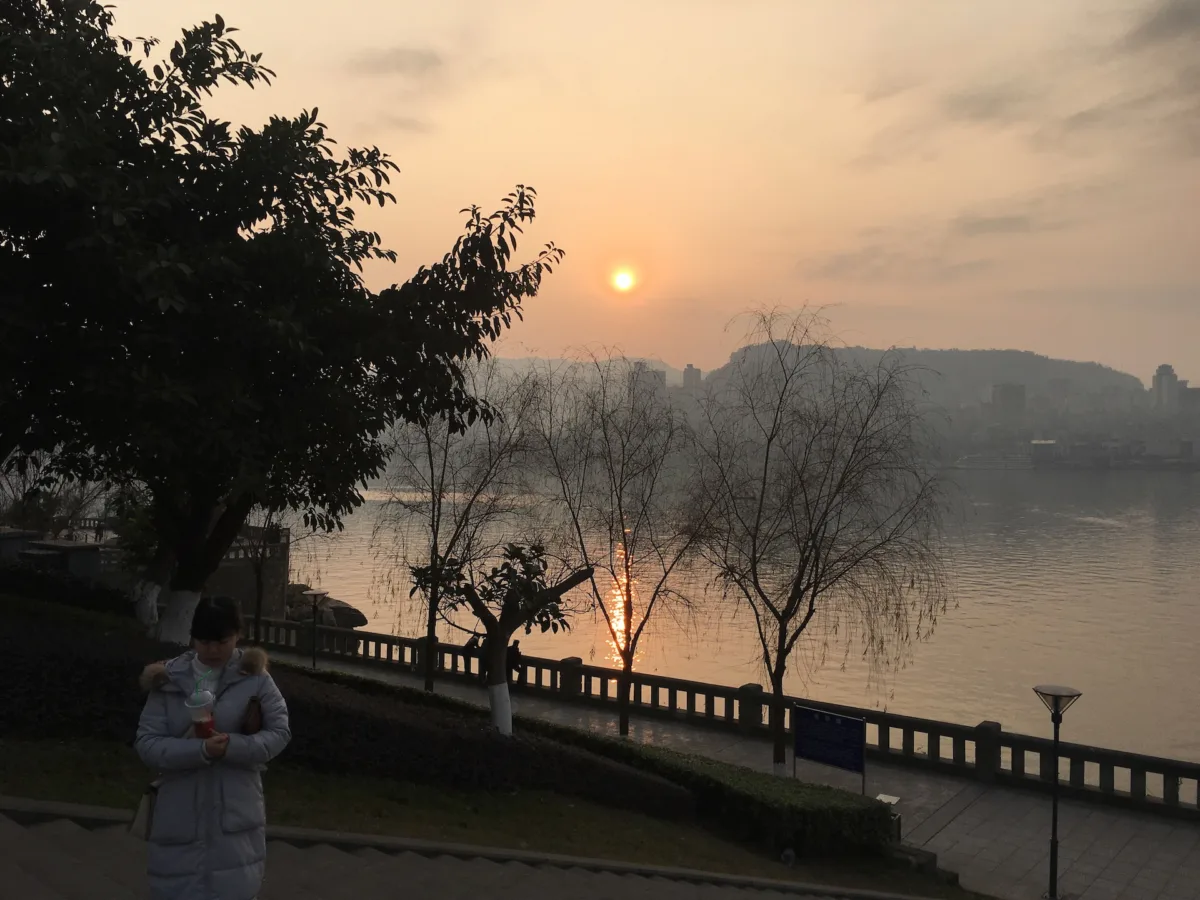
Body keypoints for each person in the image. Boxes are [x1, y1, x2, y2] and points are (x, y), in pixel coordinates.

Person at [136, 595, 291, 900]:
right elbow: (148, 743)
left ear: (238, 635)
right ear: (193, 637)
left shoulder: (256, 679)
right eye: (204, 642)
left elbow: (279, 733)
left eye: (222, 641)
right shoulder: (168, 680)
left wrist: (233, 746)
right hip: (179, 811)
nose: (213, 650)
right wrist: (201, 751)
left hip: (236, 812)